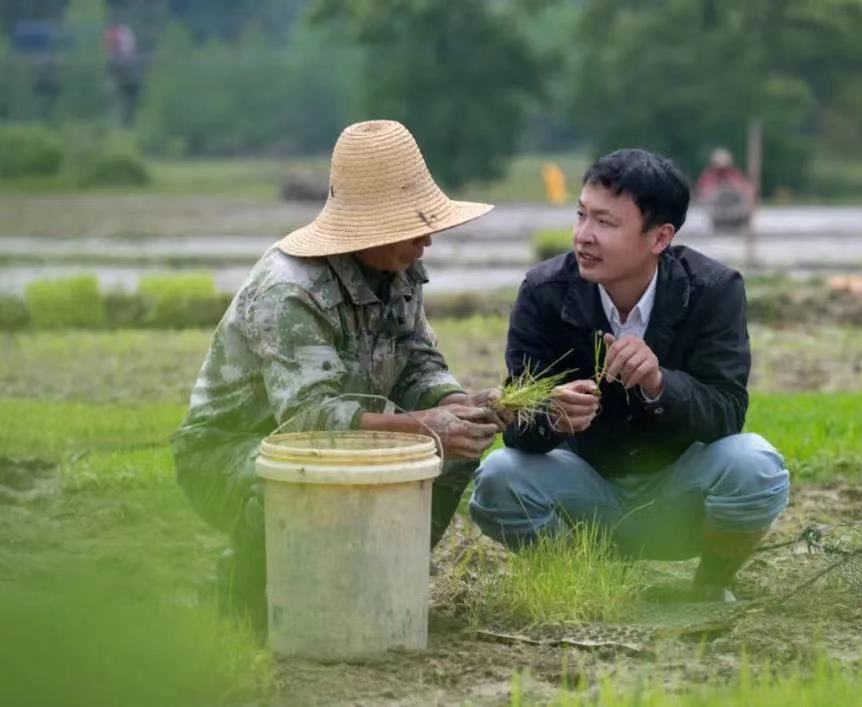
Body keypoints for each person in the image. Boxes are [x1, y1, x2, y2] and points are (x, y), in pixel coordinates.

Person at [171, 120, 507, 631]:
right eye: (413, 226)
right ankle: (248, 601)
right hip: (233, 450)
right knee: (290, 476)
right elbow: (308, 421)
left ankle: (380, 579)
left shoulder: (399, 268)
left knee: (453, 451)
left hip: (339, 439)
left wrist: (457, 407)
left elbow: (418, 361)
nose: (427, 240)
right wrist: (423, 427)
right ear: (370, 228)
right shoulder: (290, 290)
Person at [469, 148, 789, 600]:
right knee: (497, 477)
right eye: (581, 215)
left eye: (605, 222)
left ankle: (709, 590)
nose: (583, 236)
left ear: (660, 237)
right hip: (584, 489)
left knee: (756, 464)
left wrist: (660, 384)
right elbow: (518, 429)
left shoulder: (714, 290)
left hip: (680, 496)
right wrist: (550, 416)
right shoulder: (544, 292)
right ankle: (586, 585)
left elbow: (727, 414)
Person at [695, 148, 755, 231]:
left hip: (736, 214)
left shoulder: (734, 175)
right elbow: (702, 193)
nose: (722, 170)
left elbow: (747, 190)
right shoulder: (708, 176)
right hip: (717, 215)